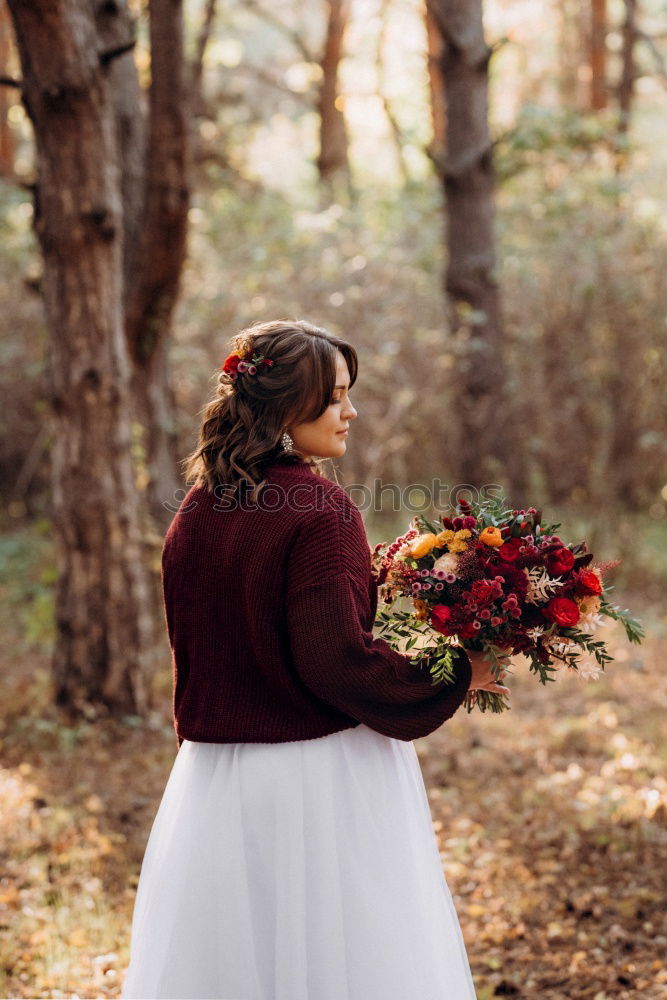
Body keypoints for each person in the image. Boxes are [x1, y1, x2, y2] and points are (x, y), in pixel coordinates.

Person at [121, 318, 509, 1000]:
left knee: (237, 969)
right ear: (283, 407)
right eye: (333, 398)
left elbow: (245, 623)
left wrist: (364, 581)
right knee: (343, 963)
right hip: (316, 779)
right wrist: (453, 673)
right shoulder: (320, 509)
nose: (350, 412)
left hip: (216, 784)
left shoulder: (199, 506)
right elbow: (336, 664)